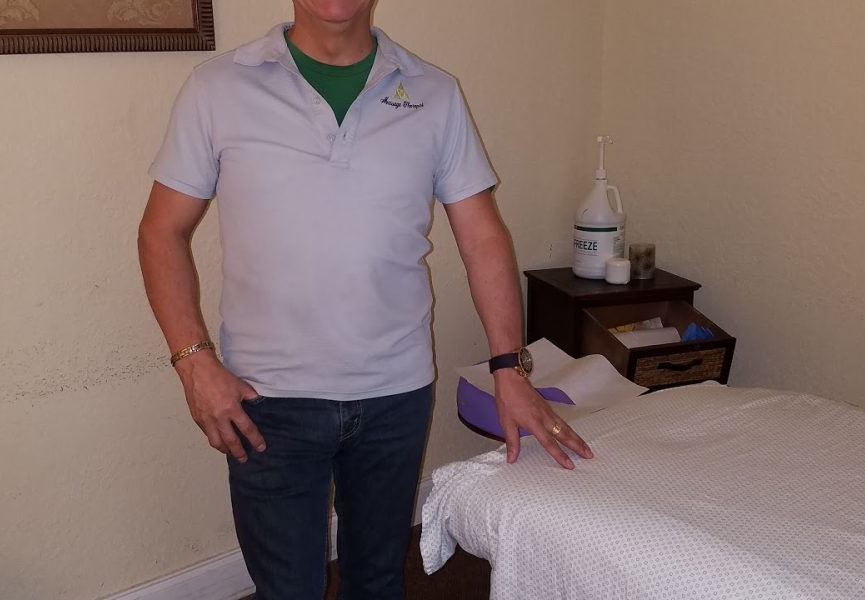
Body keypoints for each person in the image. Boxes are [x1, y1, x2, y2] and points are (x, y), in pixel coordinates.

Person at [137, 1, 593, 598]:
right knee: (287, 591)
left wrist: (509, 368)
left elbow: (482, 238)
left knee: (376, 582)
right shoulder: (217, 87)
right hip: (266, 399)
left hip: (395, 397)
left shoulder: (435, 93)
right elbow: (160, 232)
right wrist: (194, 363)